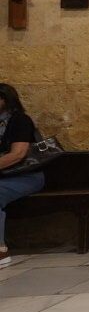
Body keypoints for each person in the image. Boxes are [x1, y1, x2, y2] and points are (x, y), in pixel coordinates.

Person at [0, 83, 45, 268]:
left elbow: (17, 154)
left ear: (5, 100)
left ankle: (1, 251)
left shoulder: (20, 120)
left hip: (24, 176)